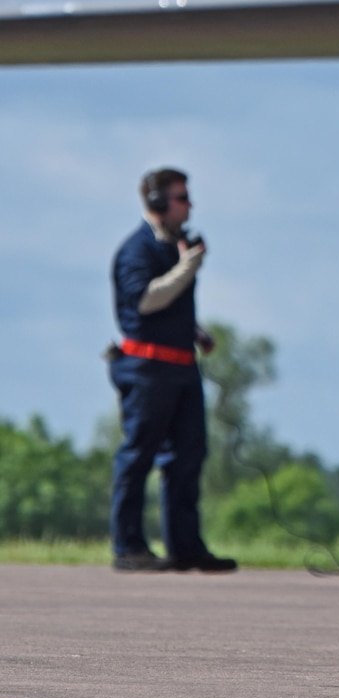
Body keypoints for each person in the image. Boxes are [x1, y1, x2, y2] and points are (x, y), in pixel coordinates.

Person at [107, 168, 236, 573]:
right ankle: (129, 548)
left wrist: (195, 332)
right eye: (181, 198)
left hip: (181, 366)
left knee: (188, 457)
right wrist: (187, 268)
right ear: (159, 203)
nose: (189, 205)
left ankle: (185, 548)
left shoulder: (174, 247)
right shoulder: (136, 250)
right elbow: (145, 301)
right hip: (146, 369)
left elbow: (170, 306)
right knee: (138, 456)